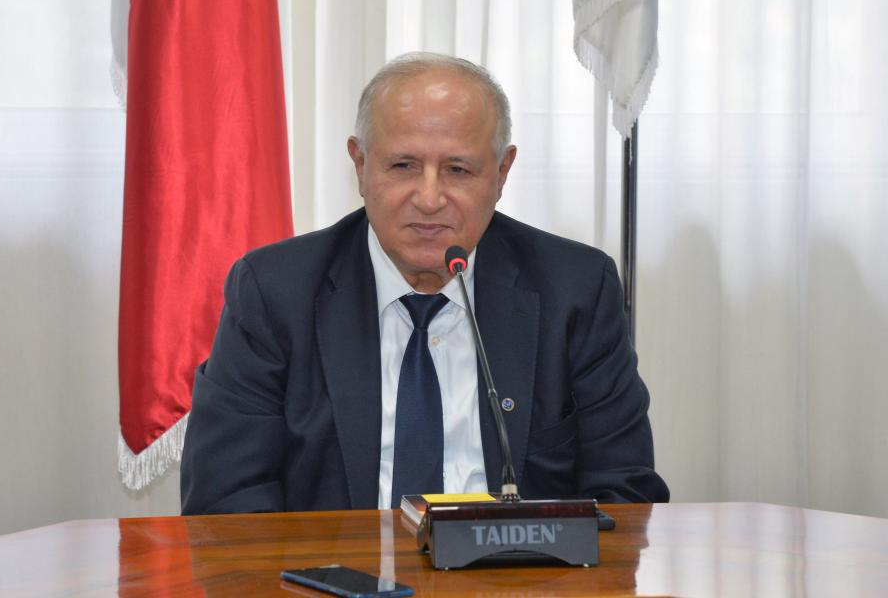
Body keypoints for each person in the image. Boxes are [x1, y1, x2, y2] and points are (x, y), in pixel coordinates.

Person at [180, 52, 669, 514]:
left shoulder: (575, 290)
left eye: (458, 169)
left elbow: (625, 494)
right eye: (403, 166)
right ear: (360, 164)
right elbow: (225, 504)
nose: (430, 199)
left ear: (502, 173)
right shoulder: (274, 292)